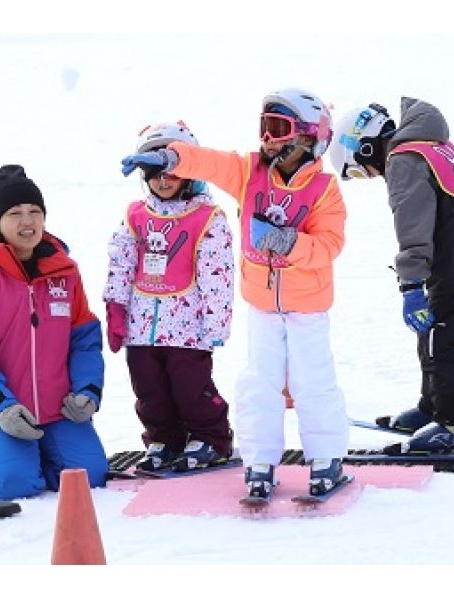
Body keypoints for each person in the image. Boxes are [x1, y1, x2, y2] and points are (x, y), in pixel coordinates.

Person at [121, 88, 349, 499]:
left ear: (309, 136)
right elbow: (209, 162)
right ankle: (260, 462)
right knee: (258, 382)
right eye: (263, 127)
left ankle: (325, 458)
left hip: (307, 308)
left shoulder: (324, 190)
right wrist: (171, 157)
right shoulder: (249, 173)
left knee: (312, 381)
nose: (266, 137)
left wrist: (286, 242)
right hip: (262, 306)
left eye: (277, 128)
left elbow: (329, 246)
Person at [329, 97, 454, 454]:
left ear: (369, 145)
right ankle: (433, 407)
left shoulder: (403, 161)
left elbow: (413, 228)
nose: (371, 176)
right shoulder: (429, 144)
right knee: (430, 334)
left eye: (361, 168)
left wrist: (411, 287)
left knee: (441, 342)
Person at [0, 165, 108, 500]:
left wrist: (88, 390)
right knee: (14, 484)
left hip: (58, 410)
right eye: (14, 213)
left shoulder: (65, 274)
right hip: (2, 412)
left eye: (35, 211)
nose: (27, 222)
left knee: (90, 477)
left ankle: (44, 450)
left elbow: (84, 341)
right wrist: (1, 405)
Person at [104, 121, 236, 472]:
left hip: (188, 327)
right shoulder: (135, 215)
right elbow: (121, 262)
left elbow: (217, 274)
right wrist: (116, 308)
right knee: (149, 389)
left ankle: (211, 438)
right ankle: (163, 438)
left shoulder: (207, 218)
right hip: (141, 325)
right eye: (154, 173)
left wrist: (216, 323)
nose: (163, 181)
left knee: (190, 387)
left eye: (172, 173)